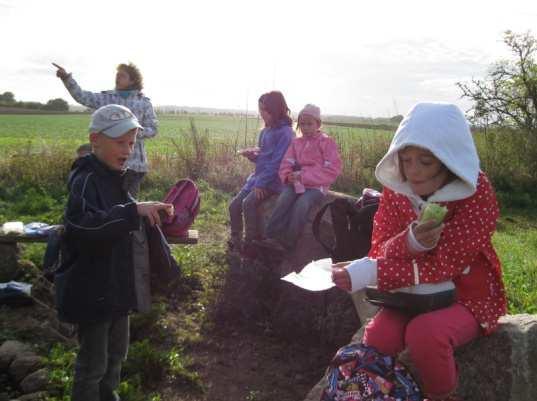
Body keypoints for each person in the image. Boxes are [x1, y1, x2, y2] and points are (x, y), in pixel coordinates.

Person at [331, 102, 507, 401]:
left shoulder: (476, 193)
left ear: (449, 161)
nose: (413, 171)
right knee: (378, 337)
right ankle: (377, 393)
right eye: (406, 160)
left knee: (426, 335)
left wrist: (370, 271)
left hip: (467, 294)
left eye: (425, 162)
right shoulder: (397, 189)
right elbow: (380, 246)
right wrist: (410, 241)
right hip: (411, 294)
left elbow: (446, 266)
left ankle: (442, 395)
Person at [57, 104, 173, 401]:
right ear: (96, 139)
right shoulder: (85, 180)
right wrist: (133, 210)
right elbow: (83, 225)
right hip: (91, 290)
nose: (127, 149)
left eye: (132, 143)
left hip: (116, 289)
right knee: (93, 365)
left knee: (115, 358)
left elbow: (120, 216)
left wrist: (145, 212)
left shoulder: (115, 177)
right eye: (120, 142)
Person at [53, 62, 158, 196]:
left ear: (133, 80)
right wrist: (67, 79)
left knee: (129, 204)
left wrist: (131, 132)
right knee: (107, 201)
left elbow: (153, 129)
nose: (117, 77)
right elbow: (82, 96)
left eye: (122, 75)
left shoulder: (144, 103)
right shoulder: (107, 98)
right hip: (107, 163)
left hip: (134, 165)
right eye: (117, 75)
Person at [258, 104, 342, 252]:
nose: (305, 128)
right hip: (296, 183)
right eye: (302, 124)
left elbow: (332, 170)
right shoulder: (296, 142)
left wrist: (304, 176)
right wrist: (287, 176)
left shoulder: (326, 142)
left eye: (310, 124)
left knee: (302, 204)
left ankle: (288, 242)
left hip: (317, 186)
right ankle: (270, 236)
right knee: (284, 198)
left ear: (318, 124)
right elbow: (286, 162)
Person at [228, 91, 294, 258]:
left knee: (248, 204)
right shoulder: (265, 132)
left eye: (265, 110)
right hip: (258, 178)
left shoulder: (286, 133)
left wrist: (262, 184)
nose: (261, 113)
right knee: (233, 206)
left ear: (276, 109)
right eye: (260, 109)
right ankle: (235, 239)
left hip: (273, 181)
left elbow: (278, 162)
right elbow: (264, 158)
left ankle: (251, 243)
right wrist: (253, 156)